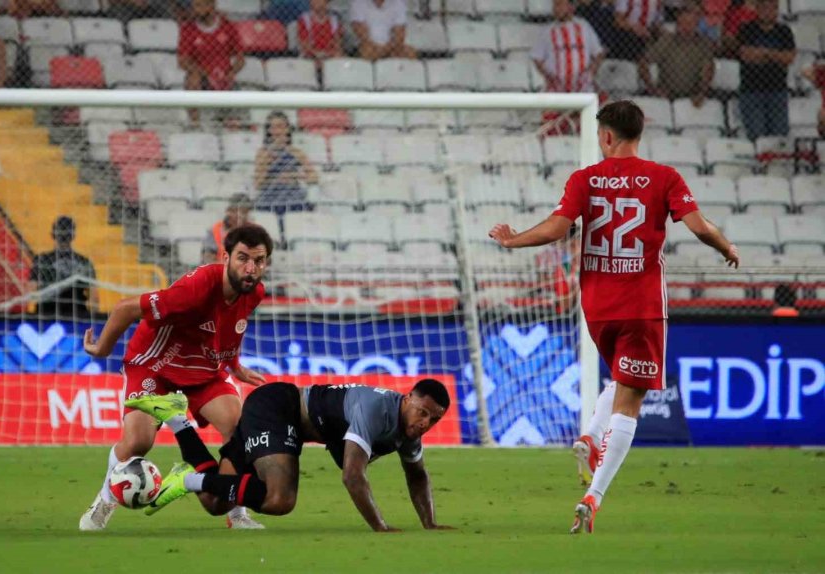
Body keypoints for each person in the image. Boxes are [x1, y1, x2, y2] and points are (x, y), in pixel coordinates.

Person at [489, 100, 740, 533]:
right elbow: (699, 227)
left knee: (622, 379)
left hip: (598, 308)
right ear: (639, 133)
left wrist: (513, 241)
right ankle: (594, 496)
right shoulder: (665, 177)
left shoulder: (585, 179)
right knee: (632, 401)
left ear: (605, 136)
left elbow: (555, 228)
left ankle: (590, 435)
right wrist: (725, 248)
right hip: (642, 306)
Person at [78, 224, 273, 532]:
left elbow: (231, 327)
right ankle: (104, 500)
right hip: (154, 365)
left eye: (259, 261)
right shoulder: (196, 289)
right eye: (242, 258)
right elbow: (127, 308)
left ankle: (238, 514)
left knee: (240, 429)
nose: (250, 268)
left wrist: (234, 364)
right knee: (138, 441)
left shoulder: (255, 292)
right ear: (225, 257)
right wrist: (101, 349)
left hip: (202, 369)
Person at [126, 379, 455, 532]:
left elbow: (417, 474)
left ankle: (176, 419)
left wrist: (431, 523)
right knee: (280, 499)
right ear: (407, 397)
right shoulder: (376, 410)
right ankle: (187, 479)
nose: (425, 423)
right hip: (278, 409)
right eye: (422, 412)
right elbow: (352, 476)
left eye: (433, 420)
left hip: (284, 422)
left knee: (215, 502)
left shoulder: (408, 431)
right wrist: (380, 527)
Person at [177, 0, 245, 125]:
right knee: (193, 80)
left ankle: (235, 126)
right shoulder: (188, 29)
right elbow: (182, 61)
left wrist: (231, 72)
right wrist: (203, 73)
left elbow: (240, 58)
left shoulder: (228, 26)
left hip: (224, 75)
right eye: (194, 6)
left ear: (211, 5)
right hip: (203, 77)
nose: (195, 10)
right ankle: (195, 124)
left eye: (199, 5)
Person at [736, 0, 795, 142]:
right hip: (751, 92)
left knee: (780, 138)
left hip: (778, 92)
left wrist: (764, 54)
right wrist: (775, 56)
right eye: (764, 7)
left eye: (772, 8)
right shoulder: (746, 30)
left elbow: (789, 58)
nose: (767, 12)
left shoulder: (784, 31)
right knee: (758, 138)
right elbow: (746, 55)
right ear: (757, 9)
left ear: (776, 10)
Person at [639, 1, 714, 107]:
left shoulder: (704, 44)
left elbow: (708, 69)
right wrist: (653, 90)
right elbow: (643, 63)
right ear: (678, 20)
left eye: (692, 22)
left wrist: (701, 92)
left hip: (692, 98)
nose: (687, 27)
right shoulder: (666, 41)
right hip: (666, 98)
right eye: (684, 22)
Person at [28, 216, 98, 321]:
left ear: (53, 235)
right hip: (77, 315)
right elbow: (94, 299)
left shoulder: (41, 259)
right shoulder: (84, 262)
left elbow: (32, 293)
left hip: (46, 315)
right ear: (73, 236)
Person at [532, 0, 606, 94]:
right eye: (554, 6)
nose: (555, 9)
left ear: (571, 7)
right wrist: (549, 77)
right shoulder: (548, 31)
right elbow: (537, 58)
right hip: (556, 87)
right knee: (549, 108)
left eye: (559, 5)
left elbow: (598, 53)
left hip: (583, 87)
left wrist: (590, 73)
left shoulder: (584, 26)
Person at [253, 111, 318, 213]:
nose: (277, 131)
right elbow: (258, 184)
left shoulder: (296, 152)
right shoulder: (263, 153)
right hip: (270, 196)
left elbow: (314, 177)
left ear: (287, 129)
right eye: (273, 127)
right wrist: (268, 162)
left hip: (293, 195)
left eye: (280, 126)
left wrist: (293, 175)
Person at [349, 0, 416, 62]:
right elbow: (362, 36)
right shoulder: (358, 3)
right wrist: (381, 50)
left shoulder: (398, 3)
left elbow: (400, 34)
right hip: (368, 45)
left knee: (409, 52)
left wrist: (386, 48)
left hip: (390, 46)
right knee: (367, 50)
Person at [201, 193, 253, 264]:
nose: (240, 216)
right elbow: (208, 258)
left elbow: (266, 259)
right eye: (235, 211)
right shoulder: (215, 230)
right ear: (229, 211)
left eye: (244, 212)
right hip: (220, 271)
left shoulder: (255, 231)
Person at [297, 0, 344, 70]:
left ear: (326, 2)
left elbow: (337, 42)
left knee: (339, 56)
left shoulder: (334, 20)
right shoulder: (305, 19)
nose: (315, 1)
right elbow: (304, 44)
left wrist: (328, 54)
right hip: (312, 55)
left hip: (329, 54)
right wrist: (317, 54)